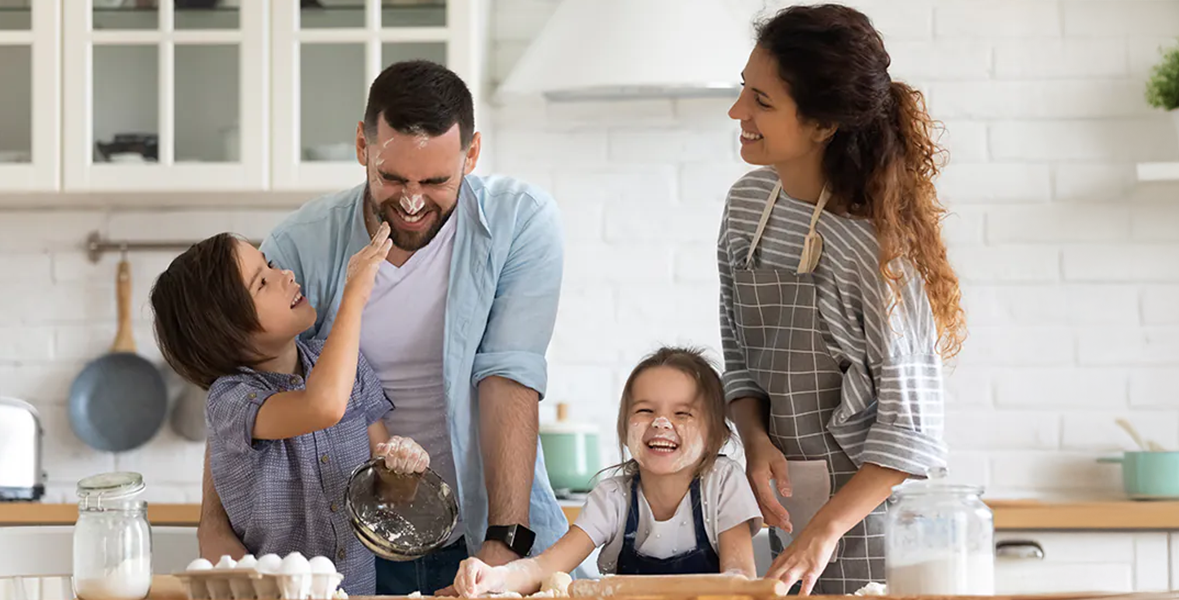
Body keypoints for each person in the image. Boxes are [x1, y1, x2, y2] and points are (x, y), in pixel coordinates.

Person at [197, 59, 570, 595]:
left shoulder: (520, 223)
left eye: (437, 181)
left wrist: (502, 542)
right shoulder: (300, 245)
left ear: (472, 154)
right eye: (393, 178)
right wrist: (214, 527)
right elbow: (241, 382)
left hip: (485, 536)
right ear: (362, 147)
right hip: (348, 551)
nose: (413, 202)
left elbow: (508, 378)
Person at [717, 4, 967, 595]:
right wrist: (754, 441)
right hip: (787, 510)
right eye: (743, 91)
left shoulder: (873, 250)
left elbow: (910, 430)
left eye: (762, 101)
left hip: (875, 531)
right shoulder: (746, 205)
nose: (738, 112)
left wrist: (823, 532)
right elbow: (740, 356)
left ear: (823, 125)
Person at [150, 229, 433, 596]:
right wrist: (355, 296)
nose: (285, 275)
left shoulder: (351, 369)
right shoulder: (232, 402)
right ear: (227, 331)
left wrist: (404, 470)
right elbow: (322, 406)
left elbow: (384, 497)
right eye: (262, 283)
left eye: (269, 265)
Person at [452, 348, 764, 596]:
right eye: (645, 410)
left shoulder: (723, 483)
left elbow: (739, 579)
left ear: (715, 436)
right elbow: (547, 567)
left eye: (682, 413)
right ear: (623, 425)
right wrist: (495, 577)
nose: (661, 423)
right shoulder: (614, 497)